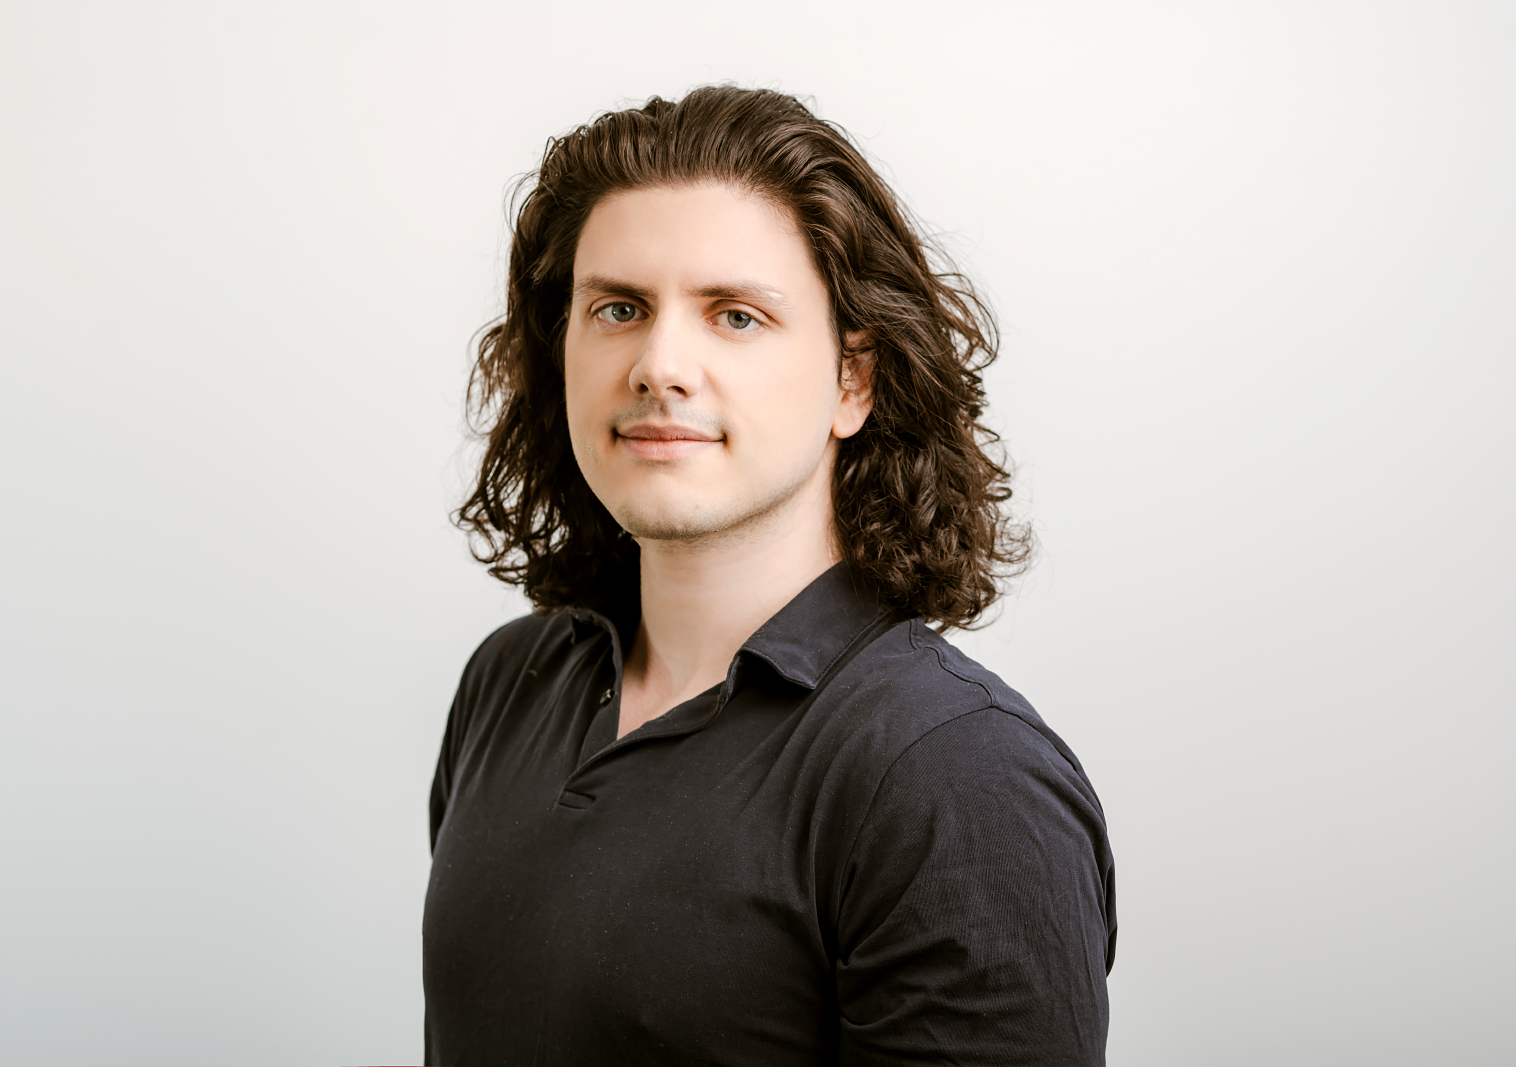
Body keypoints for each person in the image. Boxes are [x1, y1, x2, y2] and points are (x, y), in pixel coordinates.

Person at [424, 85, 1116, 1066]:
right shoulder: (509, 683)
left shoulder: (959, 775)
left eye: (736, 316)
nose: (659, 365)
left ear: (853, 379)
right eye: (618, 307)